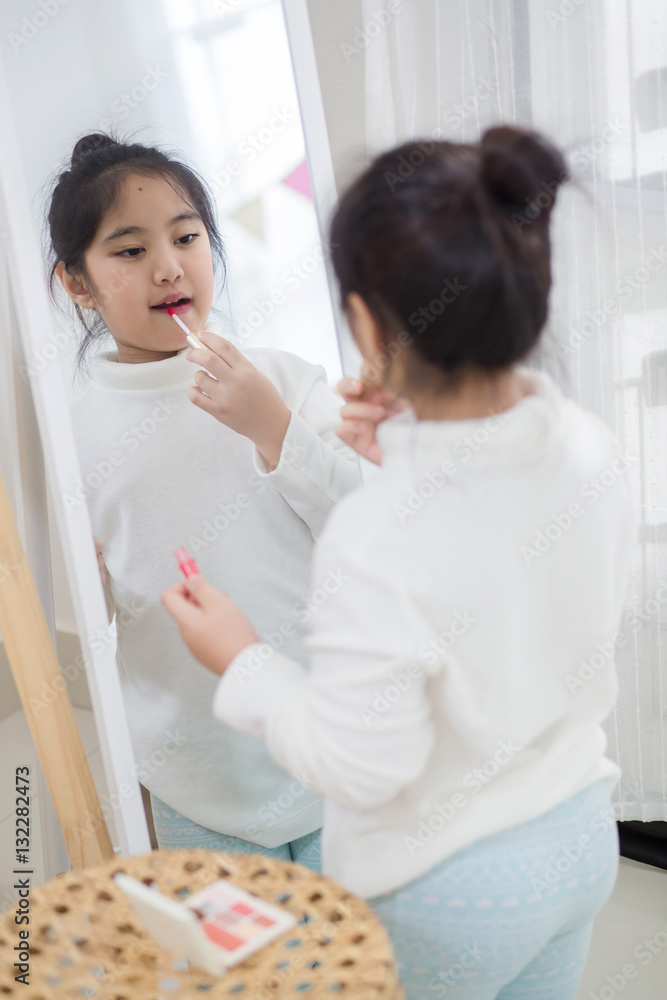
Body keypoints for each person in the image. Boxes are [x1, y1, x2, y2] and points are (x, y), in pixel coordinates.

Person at [162, 125, 636, 999]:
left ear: (363, 320)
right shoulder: (586, 443)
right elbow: (492, 555)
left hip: (446, 889)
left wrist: (241, 658)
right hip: (577, 837)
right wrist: (409, 448)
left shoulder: (377, 536)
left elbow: (358, 764)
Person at [47, 132, 361, 868]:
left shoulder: (283, 378)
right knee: (237, 979)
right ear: (78, 285)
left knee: (351, 968)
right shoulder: (73, 435)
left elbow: (363, 520)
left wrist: (272, 427)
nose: (167, 266)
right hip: (196, 776)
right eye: (128, 251)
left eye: (186, 237)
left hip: (326, 749)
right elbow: (81, 609)